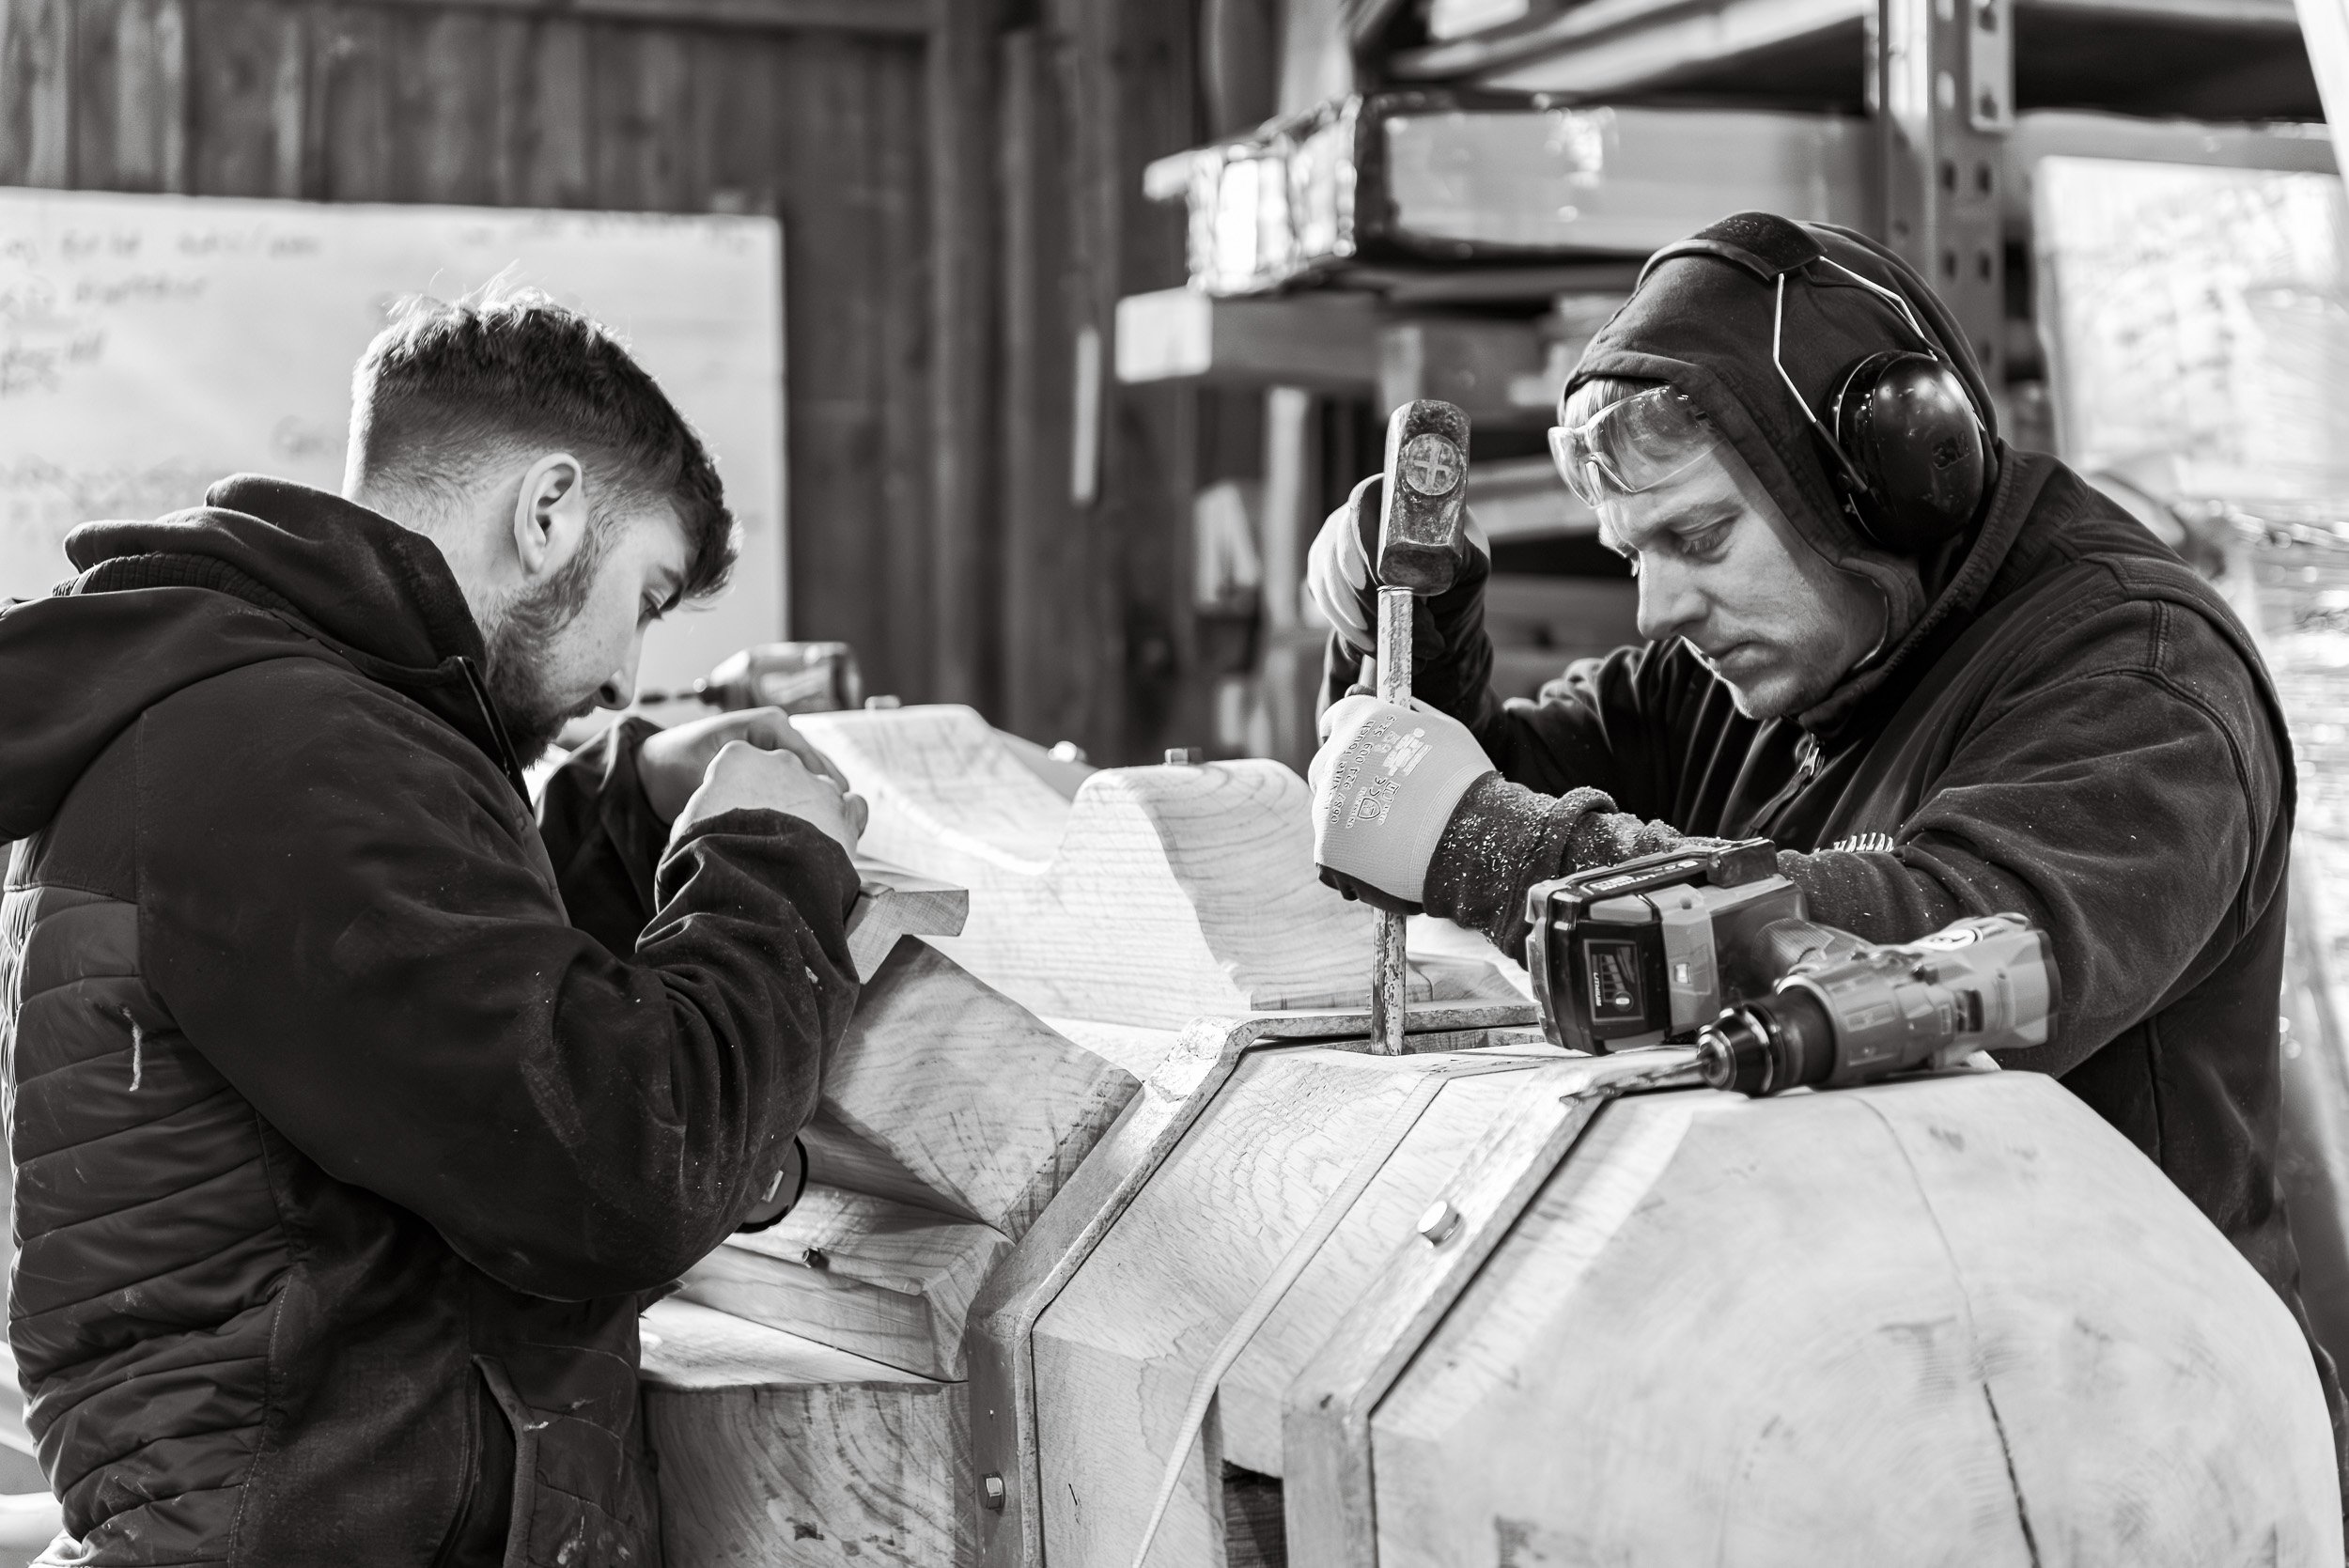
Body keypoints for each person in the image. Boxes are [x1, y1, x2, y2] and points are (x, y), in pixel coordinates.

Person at [1305, 211, 2345, 1460]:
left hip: (2134, 1444)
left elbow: (1941, 962)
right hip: (1860, 1396)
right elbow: (1489, 781)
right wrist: (1415, 636)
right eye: (1633, 552)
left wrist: (1496, 850)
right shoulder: (1759, 670)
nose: (1660, 603)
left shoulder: (2143, 680)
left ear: (1892, 478)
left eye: (1698, 537)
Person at [0, 287, 863, 1566]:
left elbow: (427, 998)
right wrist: (772, 863)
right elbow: (619, 1159)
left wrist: (626, 809)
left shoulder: (272, 723)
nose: (631, 670)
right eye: (651, 594)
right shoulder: (292, 756)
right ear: (551, 509)